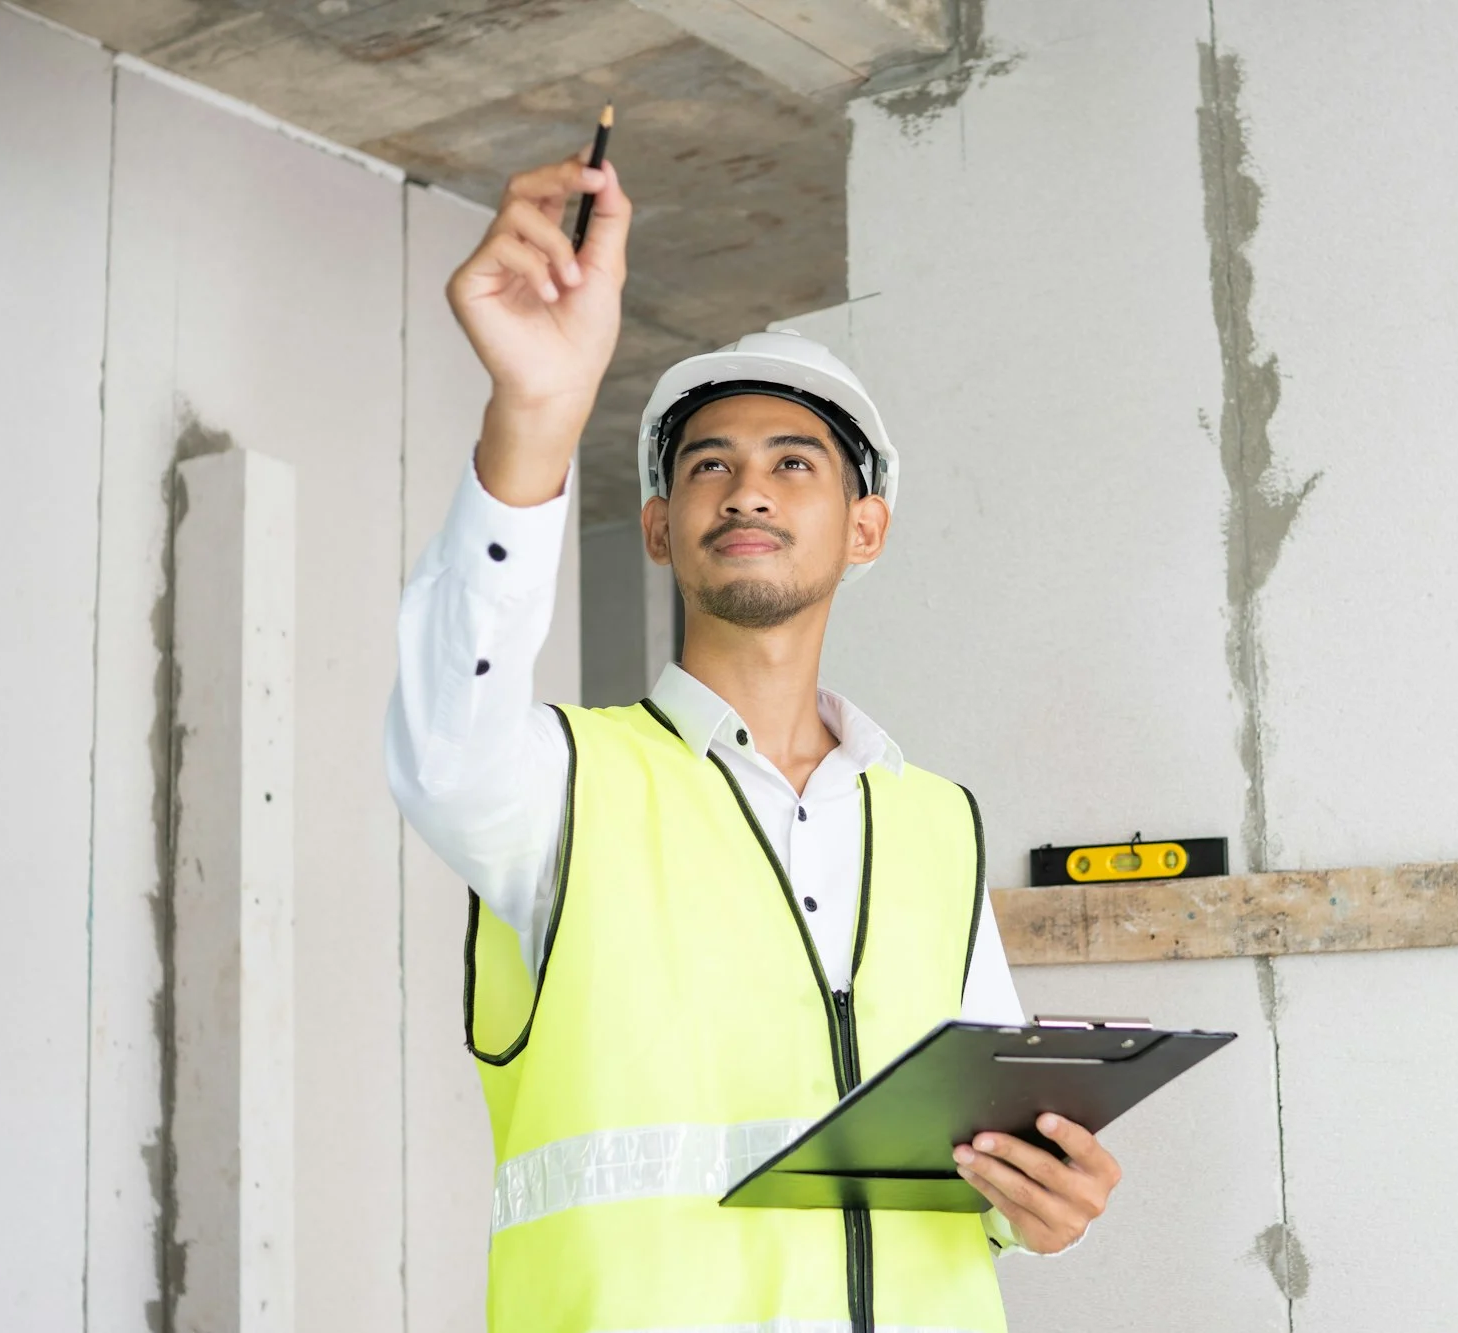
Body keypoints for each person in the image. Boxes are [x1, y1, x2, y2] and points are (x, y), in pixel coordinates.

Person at [386, 145, 1121, 1333]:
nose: (748, 490)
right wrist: (534, 414)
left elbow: (976, 1142)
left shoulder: (935, 822)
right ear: (661, 529)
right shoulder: (563, 786)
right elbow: (439, 732)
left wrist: (1032, 1201)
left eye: (794, 463)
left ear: (863, 527)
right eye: (709, 467)